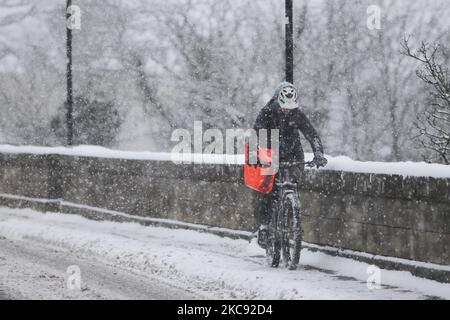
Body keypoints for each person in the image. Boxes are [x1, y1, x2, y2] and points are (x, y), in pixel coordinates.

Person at [252, 82, 327, 249]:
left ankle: (292, 212)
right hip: (271, 152)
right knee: (268, 189)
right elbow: (258, 134)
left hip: (293, 154)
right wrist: (263, 157)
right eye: (284, 107)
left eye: (290, 107)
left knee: (292, 183)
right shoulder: (267, 112)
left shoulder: (297, 114)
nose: (287, 110)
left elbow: (311, 134)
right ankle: (264, 227)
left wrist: (318, 153)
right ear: (278, 101)